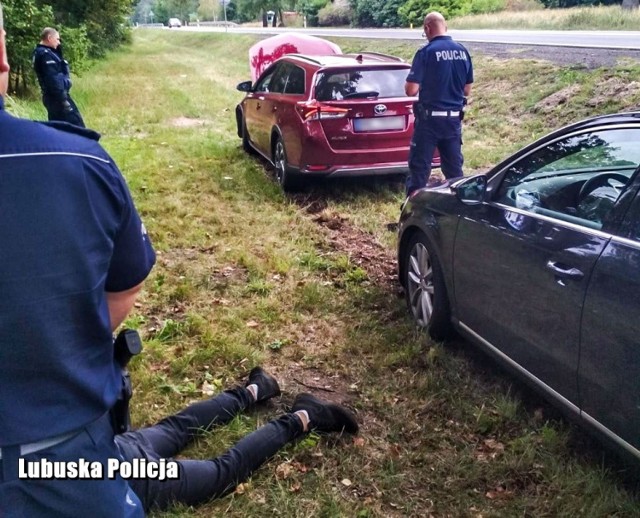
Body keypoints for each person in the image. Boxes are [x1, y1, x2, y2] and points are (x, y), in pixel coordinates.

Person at [0, 4, 154, 515]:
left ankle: (259, 398)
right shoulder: (81, 161)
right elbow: (126, 284)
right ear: (2, 58)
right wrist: (62, 336)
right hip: (60, 451)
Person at [115, 367, 359, 511]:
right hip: (112, 448)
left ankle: (302, 417)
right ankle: (254, 390)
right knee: (176, 427)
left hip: (112, 476)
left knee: (223, 471)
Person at [405, 11, 474, 196]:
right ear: (446, 27)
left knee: (419, 170)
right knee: (454, 173)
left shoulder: (425, 52)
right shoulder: (462, 51)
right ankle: (458, 212)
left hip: (429, 122)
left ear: (427, 28)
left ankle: (410, 216)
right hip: (453, 122)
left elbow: (411, 90)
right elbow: (467, 90)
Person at [32, 27, 85, 127]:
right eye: (57, 39)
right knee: (78, 126)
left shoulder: (43, 52)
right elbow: (53, 80)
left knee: (59, 128)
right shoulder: (45, 55)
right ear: (49, 38)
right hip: (58, 99)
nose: (59, 42)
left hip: (53, 98)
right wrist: (63, 97)